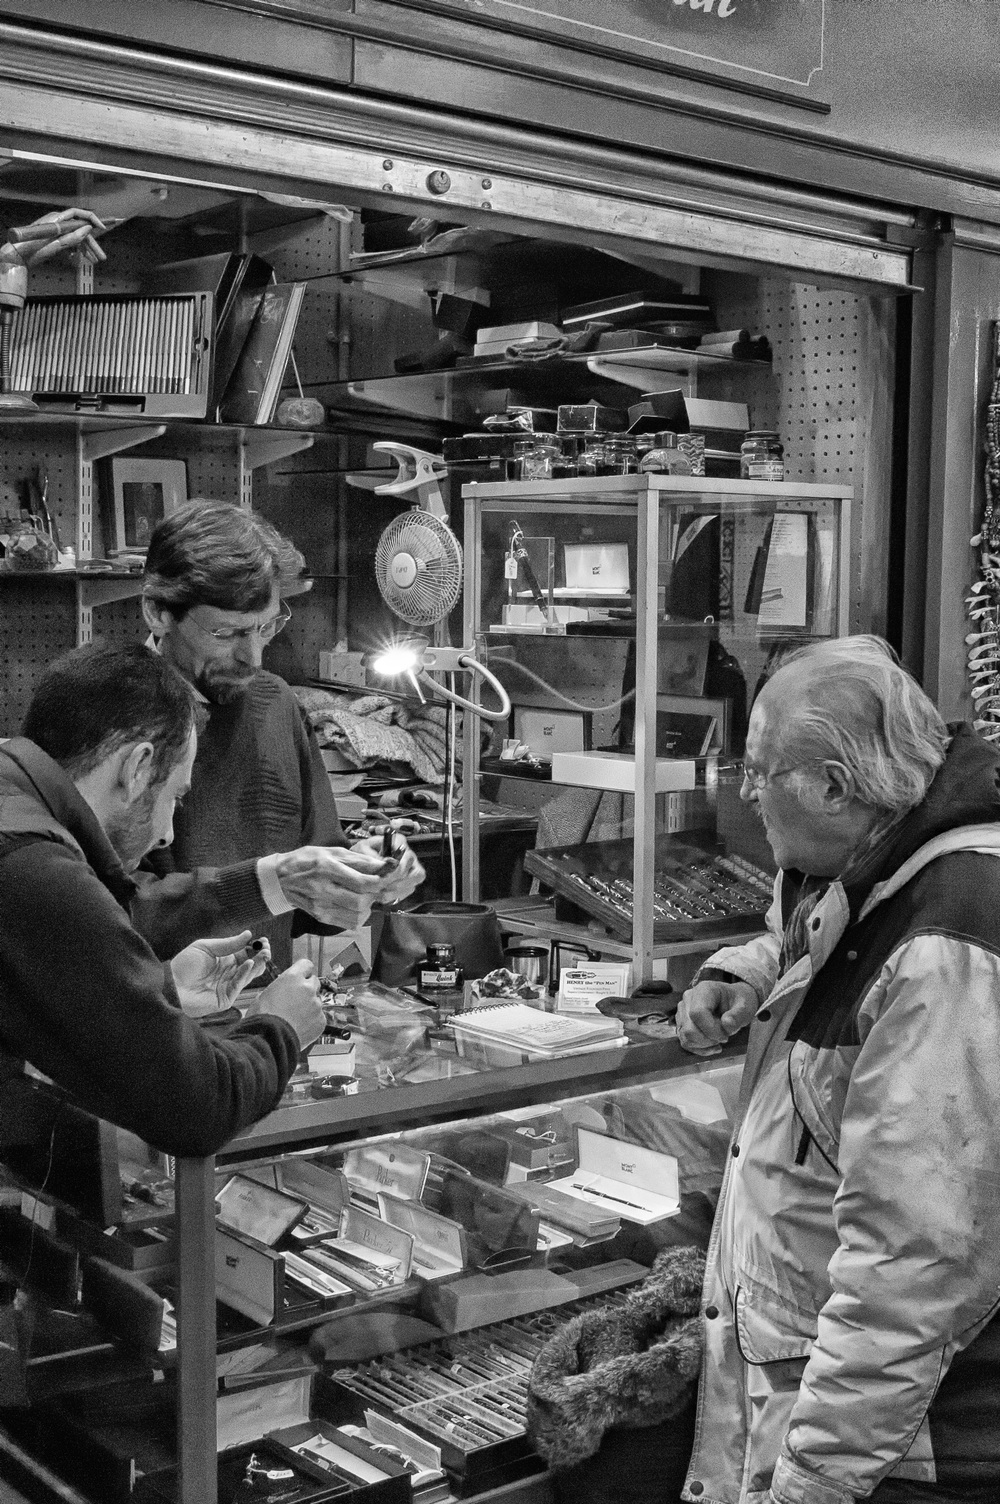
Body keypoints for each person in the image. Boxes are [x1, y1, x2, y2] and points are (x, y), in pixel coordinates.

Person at [675, 634, 1000, 1504]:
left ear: (831, 786)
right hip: (829, 1404)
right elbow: (819, 936)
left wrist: (813, 1483)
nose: (743, 791)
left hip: (905, 1449)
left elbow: (913, 1271)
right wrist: (745, 971)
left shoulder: (946, 947)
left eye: (759, 768)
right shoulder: (878, 856)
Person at [0, 643, 326, 1159]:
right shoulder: (34, 866)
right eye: (174, 796)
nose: (168, 833)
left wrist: (161, 988)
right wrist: (280, 1027)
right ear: (137, 767)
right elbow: (198, 1109)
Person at [136, 499, 424, 967]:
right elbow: (104, 913)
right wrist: (272, 881)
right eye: (226, 633)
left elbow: (311, 904)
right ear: (157, 612)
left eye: (266, 627)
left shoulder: (275, 703)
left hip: (269, 1014)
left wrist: (359, 875)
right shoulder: (108, 714)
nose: (254, 656)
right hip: (159, 1020)